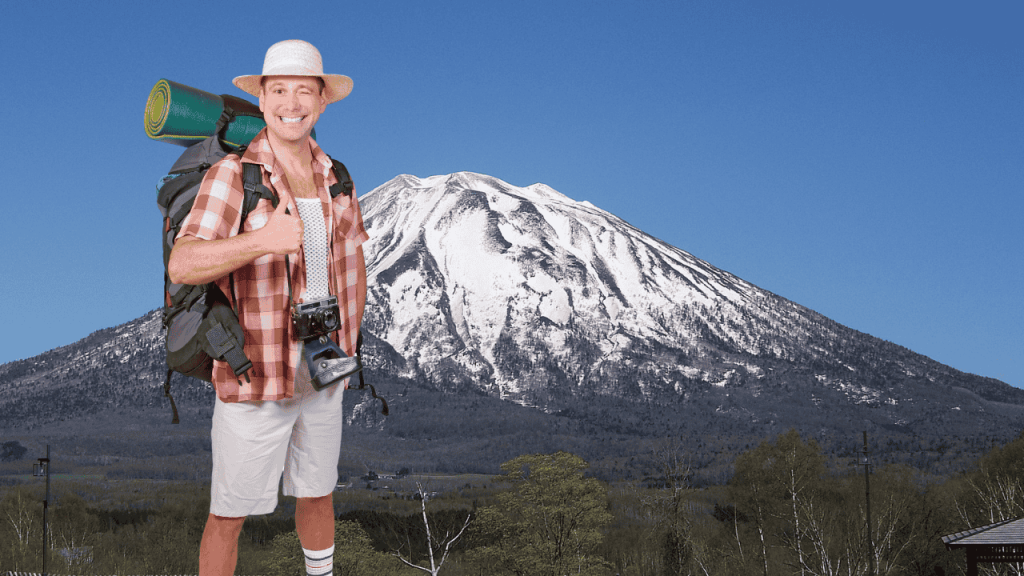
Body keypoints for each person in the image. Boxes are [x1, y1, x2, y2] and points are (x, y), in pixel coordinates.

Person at [167, 39, 368, 576]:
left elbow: (354, 266)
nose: (291, 102)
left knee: (318, 494)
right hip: (255, 373)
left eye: (304, 91)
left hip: (323, 371)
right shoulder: (233, 176)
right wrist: (263, 241)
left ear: (323, 101)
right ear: (262, 99)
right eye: (278, 90)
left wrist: (346, 348)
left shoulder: (338, 178)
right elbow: (183, 265)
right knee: (228, 514)